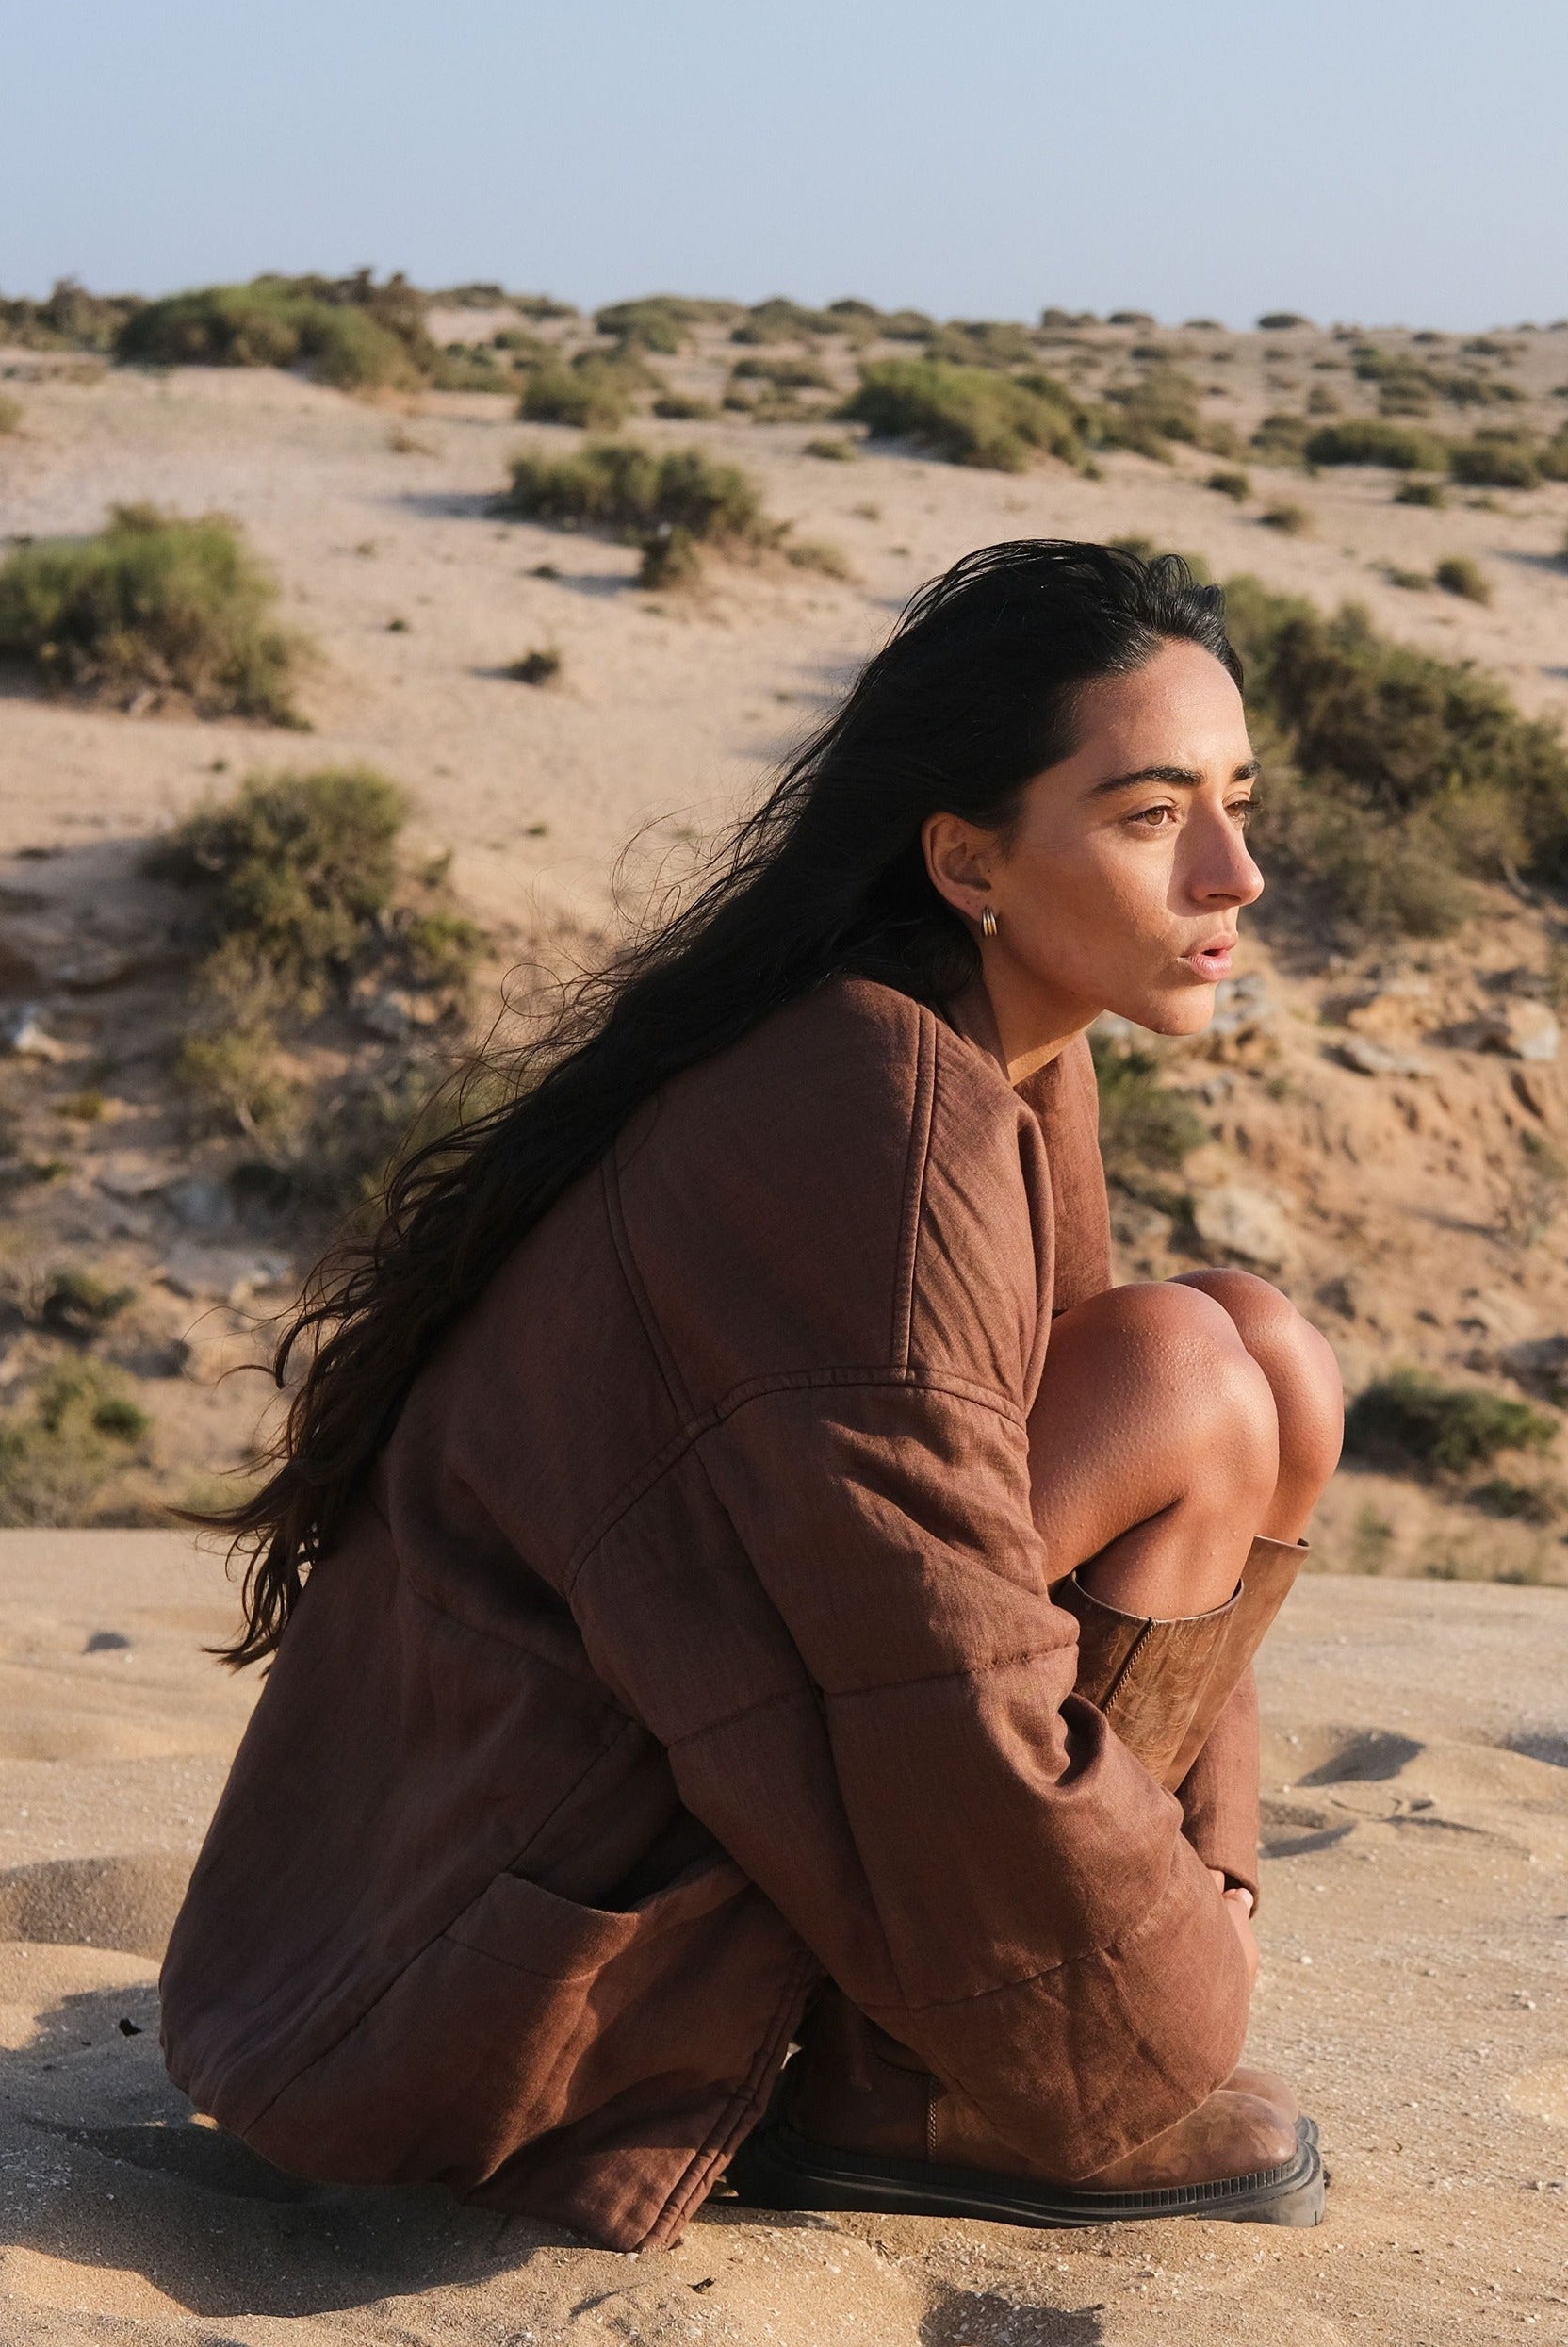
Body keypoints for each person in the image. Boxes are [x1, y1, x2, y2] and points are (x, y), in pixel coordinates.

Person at [160, 541, 1344, 2249]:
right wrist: (1157, 2011)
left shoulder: (994, 1048)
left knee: (1256, 1346)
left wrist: (1189, 1902)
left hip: (634, 1795)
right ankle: (920, 2086)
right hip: (477, 1981)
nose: (1235, 874)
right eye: (1155, 817)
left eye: (1239, 801)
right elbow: (929, 1646)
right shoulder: (872, 1101)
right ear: (968, 856)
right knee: (1192, 1373)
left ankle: (952, 2054)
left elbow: (979, 1564)